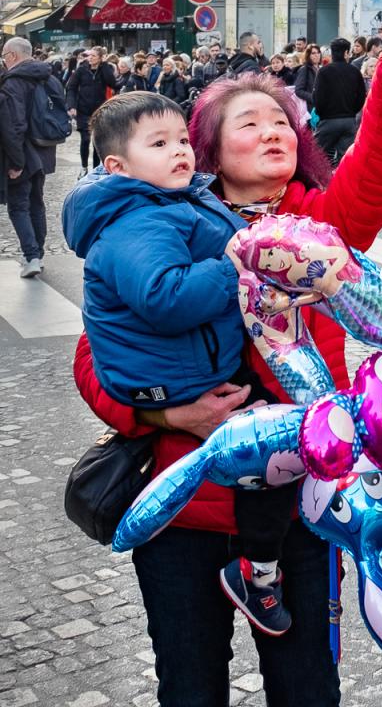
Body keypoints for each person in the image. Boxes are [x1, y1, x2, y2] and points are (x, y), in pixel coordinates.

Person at [70, 0, 382, 707]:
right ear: (208, 149)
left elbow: (381, 163)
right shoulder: (163, 228)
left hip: (304, 505)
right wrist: (166, 416)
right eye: (248, 123)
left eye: (282, 120)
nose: (273, 130)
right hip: (185, 507)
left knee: (307, 687)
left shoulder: (317, 225)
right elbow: (96, 356)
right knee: (190, 688)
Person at [66, 93, 305, 635]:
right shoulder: (137, 221)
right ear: (117, 167)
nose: (178, 152)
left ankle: (257, 566)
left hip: (189, 368)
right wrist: (238, 265)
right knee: (276, 446)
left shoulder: (170, 201)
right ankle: (259, 572)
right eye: (159, 144)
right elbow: (166, 298)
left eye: (180, 140)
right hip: (178, 380)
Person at [0, 37, 61, 278]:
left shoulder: (13, 82)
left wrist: (15, 162)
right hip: (44, 150)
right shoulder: (48, 77)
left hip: (22, 153)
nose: (4, 61)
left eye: (4, 56)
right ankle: (38, 254)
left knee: (18, 206)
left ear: (13, 55)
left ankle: (31, 256)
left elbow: (13, 126)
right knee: (37, 202)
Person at [312, 36, 366, 163]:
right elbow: (361, 97)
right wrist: (351, 112)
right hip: (349, 121)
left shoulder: (324, 71)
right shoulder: (355, 71)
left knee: (315, 156)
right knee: (346, 160)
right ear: (346, 52)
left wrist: (322, 114)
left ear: (332, 52)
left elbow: (318, 97)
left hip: (328, 121)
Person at [67, 48, 118, 175]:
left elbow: (112, 83)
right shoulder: (81, 70)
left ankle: (96, 169)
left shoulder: (105, 69)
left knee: (96, 141)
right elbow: (71, 87)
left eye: (94, 56)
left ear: (100, 57)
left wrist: (104, 65)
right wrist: (71, 105)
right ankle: (84, 167)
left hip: (99, 110)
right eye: (89, 56)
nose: (90, 58)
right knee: (85, 139)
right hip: (83, 109)